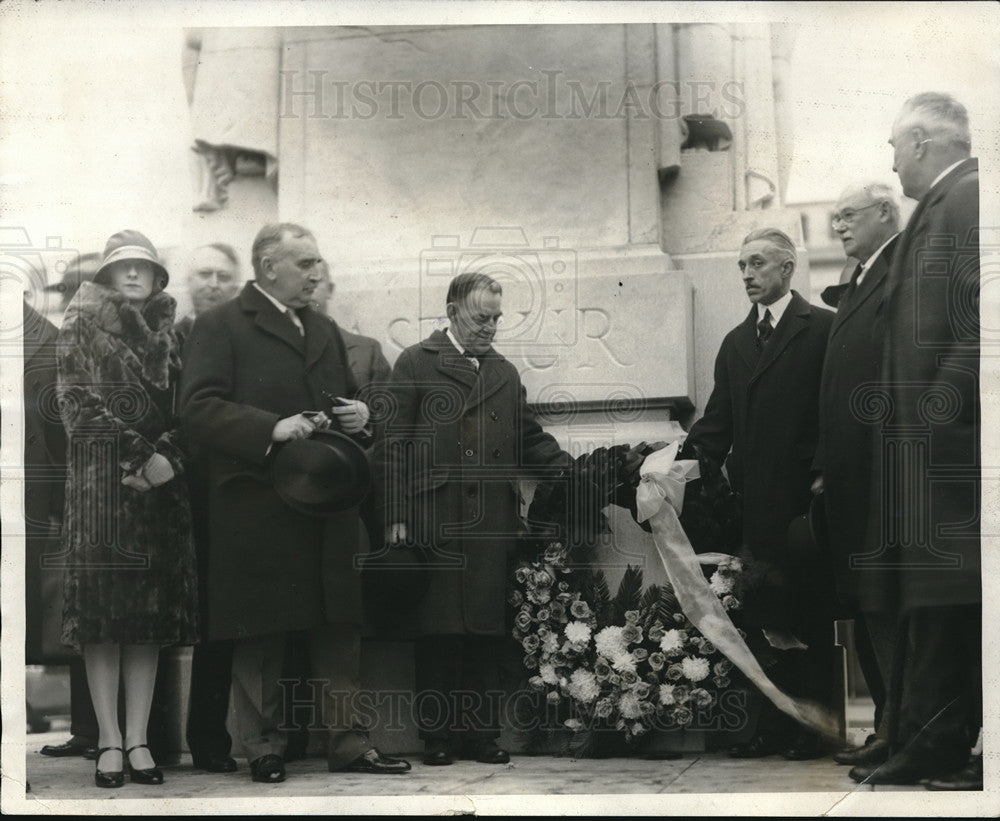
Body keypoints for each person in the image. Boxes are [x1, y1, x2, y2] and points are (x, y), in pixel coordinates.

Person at [180, 222, 410, 783]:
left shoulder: (323, 328)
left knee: (338, 624)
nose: (317, 273)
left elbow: (333, 403)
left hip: (323, 498)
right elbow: (197, 408)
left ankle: (350, 744)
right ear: (267, 267)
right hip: (254, 502)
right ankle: (263, 747)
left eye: (317, 263)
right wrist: (270, 427)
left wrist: (358, 417)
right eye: (305, 263)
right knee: (259, 628)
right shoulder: (219, 325)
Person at [375, 271, 575, 766]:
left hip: (489, 522)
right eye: (480, 317)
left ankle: (482, 735)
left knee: (485, 632)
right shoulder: (415, 362)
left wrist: (577, 473)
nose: (490, 326)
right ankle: (438, 737)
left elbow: (530, 439)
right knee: (439, 631)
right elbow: (393, 444)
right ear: (452, 311)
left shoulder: (504, 373)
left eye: (496, 318)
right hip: (433, 515)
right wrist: (396, 515)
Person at [849, 93, 981, 789]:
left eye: (896, 147)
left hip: (946, 450)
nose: (892, 159)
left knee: (947, 603)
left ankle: (939, 745)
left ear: (924, 141)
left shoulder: (967, 198)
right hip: (922, 450)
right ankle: (910, 733)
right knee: (920, 598)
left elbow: (981, 320)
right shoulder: (944, 203)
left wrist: (938, 409)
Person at [678, 228, 835, 760]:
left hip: (805, 508)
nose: (747, 274)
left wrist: (821, 476)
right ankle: (773, 727)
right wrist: (670, 467)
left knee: (808, 615)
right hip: (754, 508)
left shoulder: (823, 330)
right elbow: (717, 422)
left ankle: (816, 729)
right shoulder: (736, 342)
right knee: (763, 617)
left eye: (758, 264)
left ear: (787, 269)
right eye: (742, 265)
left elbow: (836, 414)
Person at [55, 230, 200, 788]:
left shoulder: (175, 332)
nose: (135, 275)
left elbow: (192, 406)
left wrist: (169, 458)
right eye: (123, 267)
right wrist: (141, 457)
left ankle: (139, 738)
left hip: (161, 490)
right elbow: (75, 403)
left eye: (145, 267)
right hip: (102, 488)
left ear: (158, 277)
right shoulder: (80, 322)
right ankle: (108, 741)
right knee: (101, 619)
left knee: (147, 620)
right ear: (108, 277)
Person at [813, 182, 901, 769]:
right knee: (865, 607)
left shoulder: (900, 272)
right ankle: (890, 727)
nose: (838, 227)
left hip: (883, 473)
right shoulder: (863, 277)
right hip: (848, 478)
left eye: (848, 216)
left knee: (890, 607)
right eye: (834, 218)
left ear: (885, 214)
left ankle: (902, 728)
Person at [175, 242, 243, 773]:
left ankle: (208, 737)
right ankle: (142, 737)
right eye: (204, 273)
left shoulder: (237, 339)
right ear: (186, 281)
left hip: (229, 490)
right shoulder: (168, 338)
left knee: (222, 617)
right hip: (171, 488)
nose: (214, 283)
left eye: (224, 275)